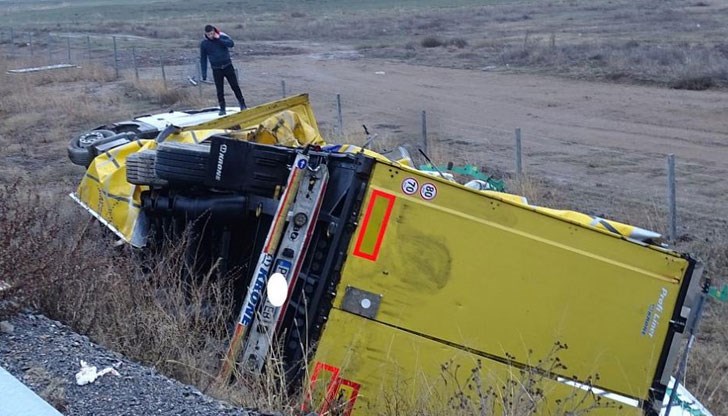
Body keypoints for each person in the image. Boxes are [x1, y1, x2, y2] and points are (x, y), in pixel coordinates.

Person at [200, 24, 247, 115]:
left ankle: (242, 104)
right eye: (209, 34)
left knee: (235, 86)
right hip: (216, 69)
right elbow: (203, 58)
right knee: (220, 90)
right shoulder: (204, 44)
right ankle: (222, 108)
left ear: (214, 32)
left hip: (227, 66)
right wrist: (204, 73)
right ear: (206, 34)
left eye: (212, 34)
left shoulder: (222, 37)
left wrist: (219, 39)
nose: (211, 36)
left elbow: (231, 44)